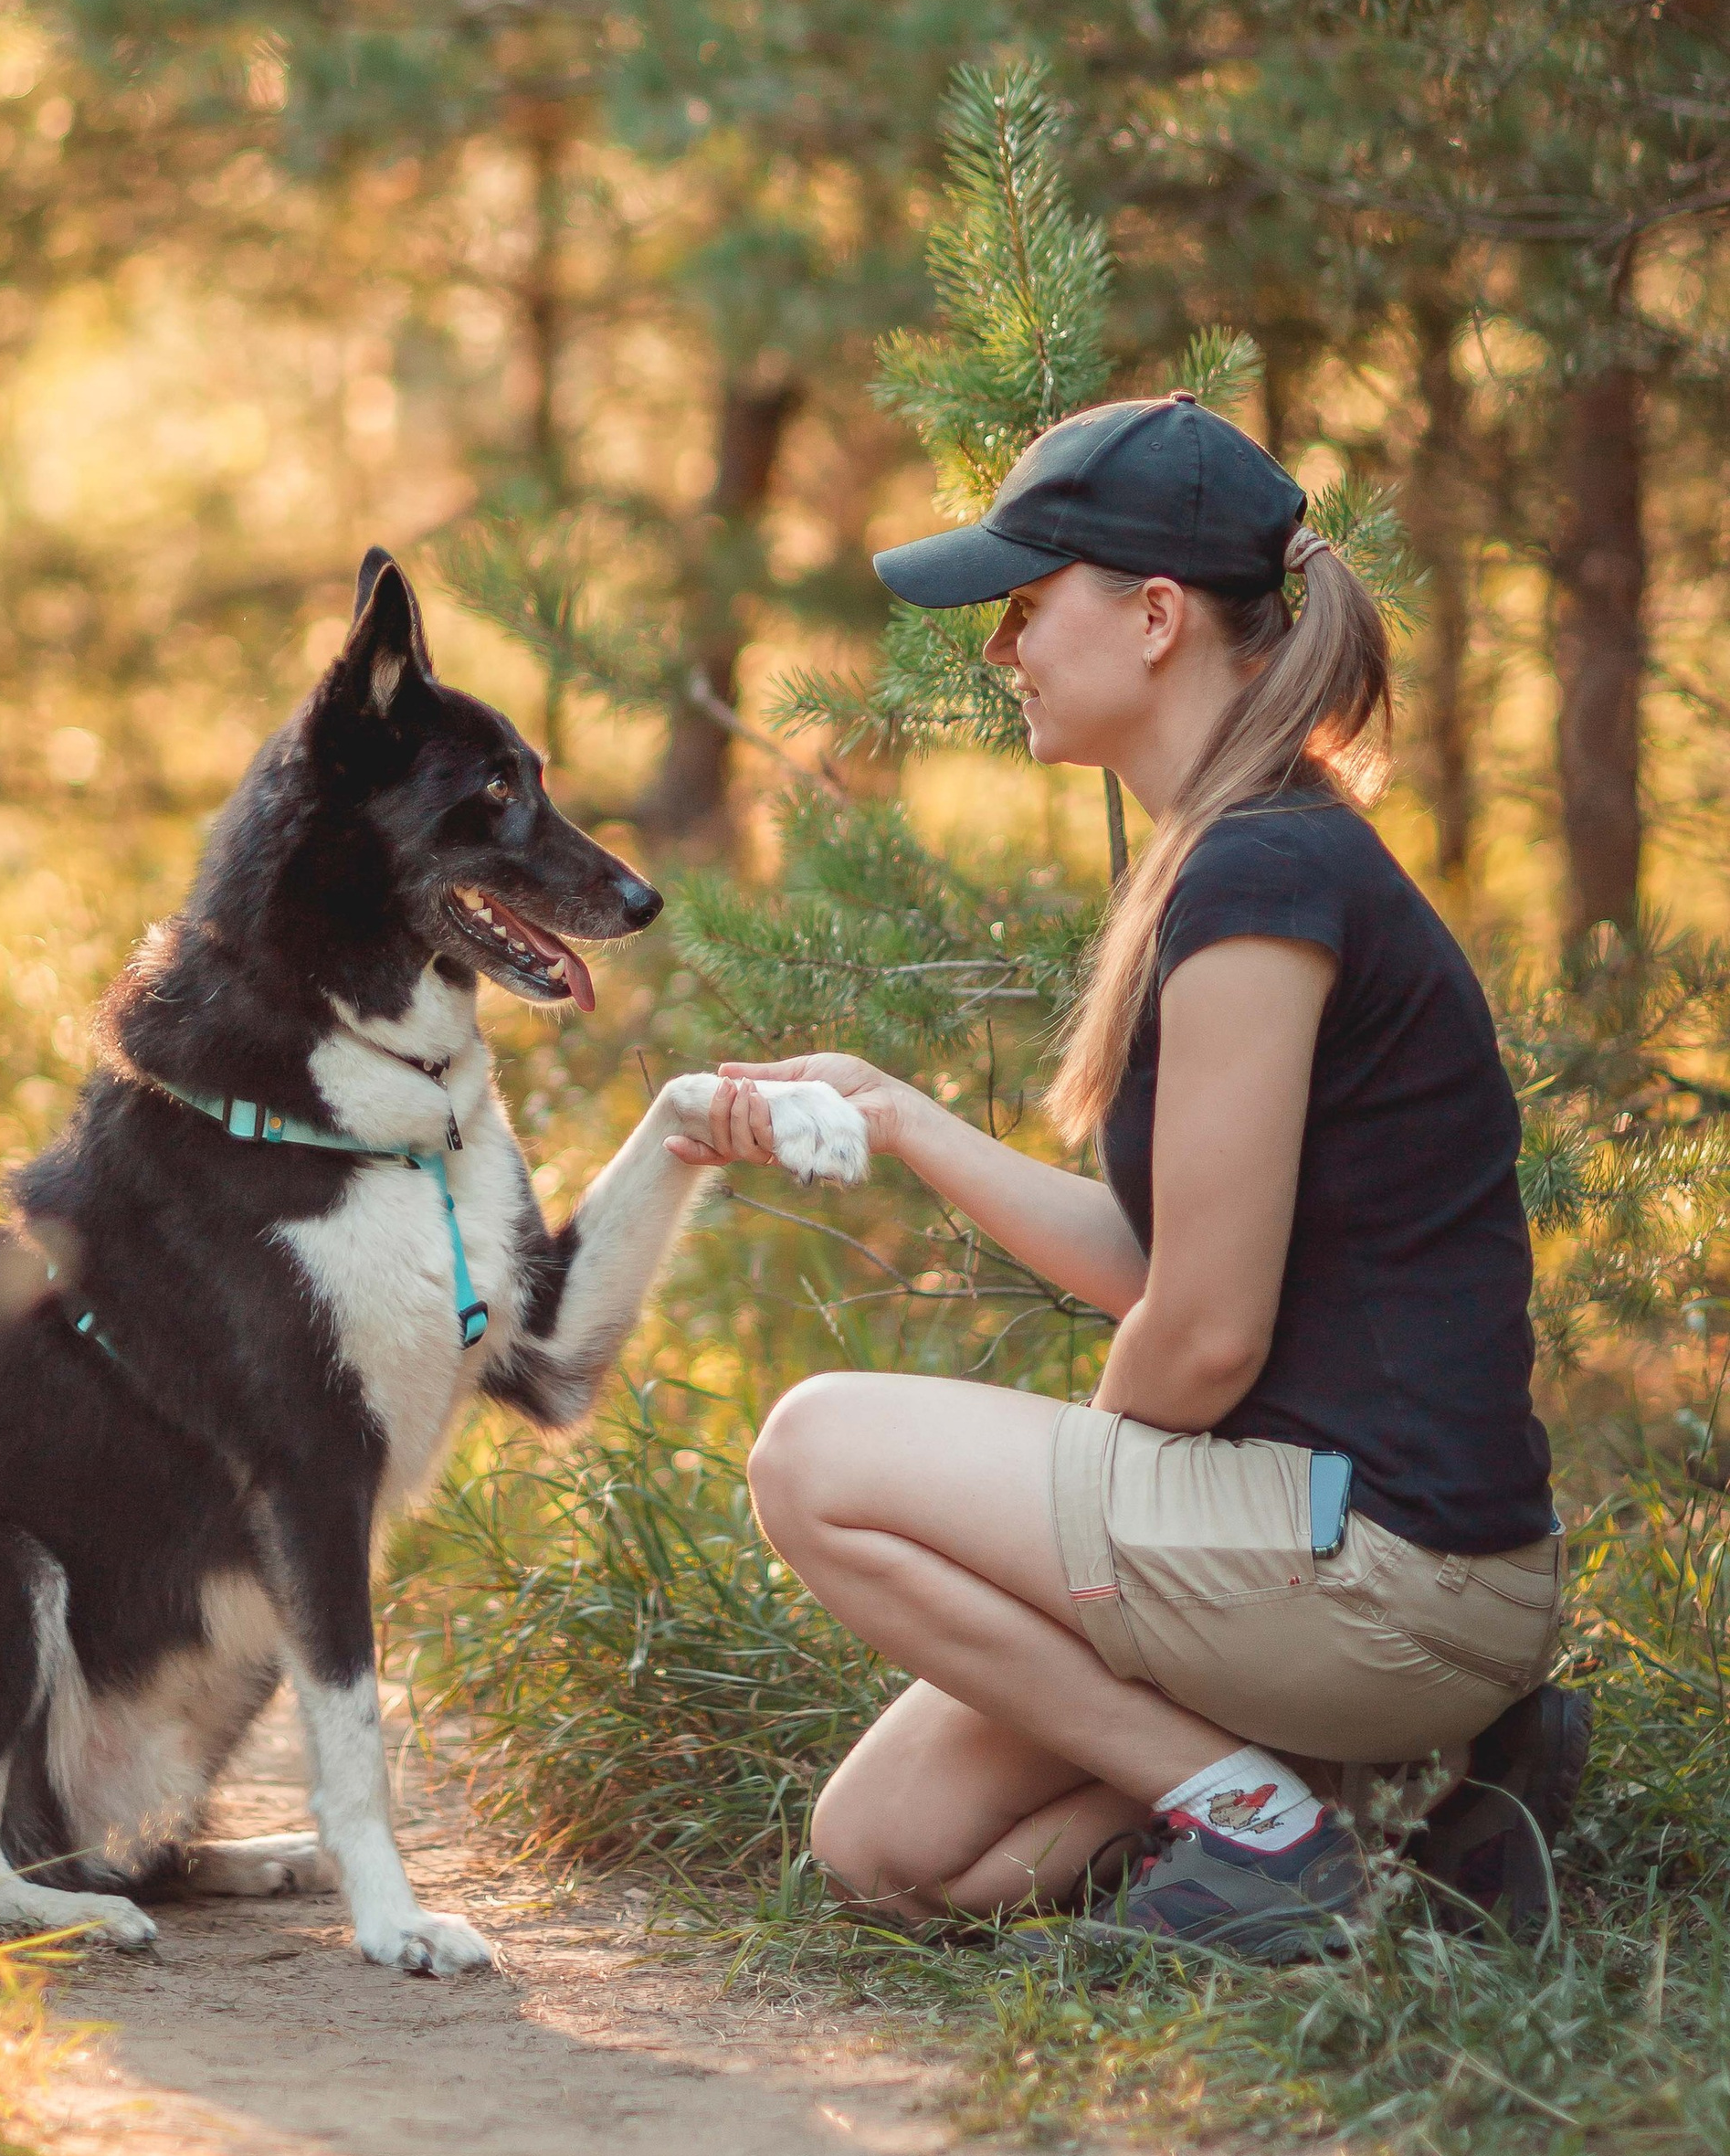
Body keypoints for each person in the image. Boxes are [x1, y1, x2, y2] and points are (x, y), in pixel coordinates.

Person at [668, 392, 1581, 1960]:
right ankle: (1385, 1793)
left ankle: (1266, 1823)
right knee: (892, 1852)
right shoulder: (1244, 853)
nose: (998, 648)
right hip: (1317, 1556)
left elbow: (1206, 1335)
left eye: (1026, 606)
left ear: (1156, 617)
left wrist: (1093, 1497)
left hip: (1391, 1567)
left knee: (811, 1451)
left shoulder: (1265, 875)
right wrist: (905, 1120)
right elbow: (1164, 1261)